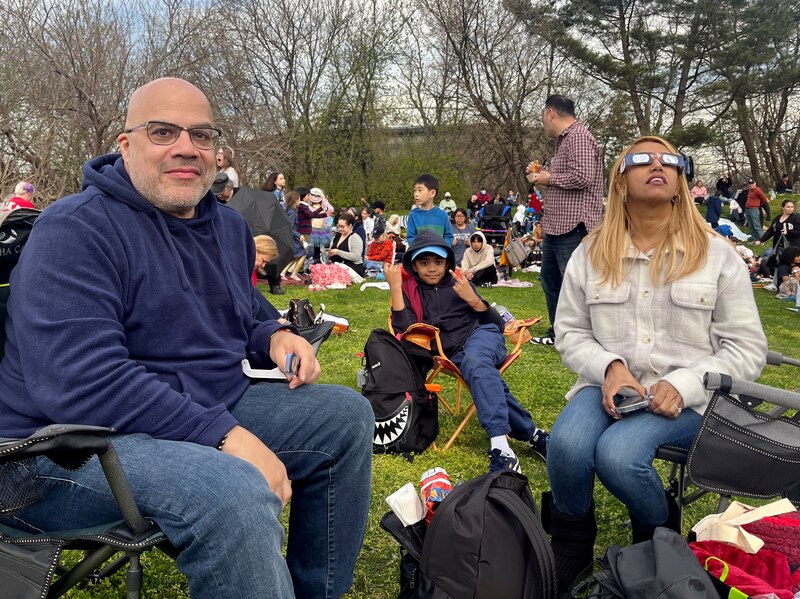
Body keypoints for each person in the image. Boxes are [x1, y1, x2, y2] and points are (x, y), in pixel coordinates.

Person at [0, 77, 373, 599]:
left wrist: (273, 336)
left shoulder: (227, 228)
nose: (185, 148)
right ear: (125, 145)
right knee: (232, 491)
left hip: (192, 411)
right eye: (162, 132)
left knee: (344, 417)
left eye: (200, 135)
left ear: (217, 151)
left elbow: (243, 314)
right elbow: (82, 382)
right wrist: (225, 437)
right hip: (58, 448)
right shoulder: (75, 230)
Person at [545, 135, 766, 595]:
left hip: (692, 400)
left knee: (620, 456)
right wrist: (608, 366)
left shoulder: (716, 254)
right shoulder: (591, 253)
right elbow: (570, 333)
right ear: (620, 181)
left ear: (681, 181)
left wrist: (685, 383)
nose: (657, 164)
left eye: (670, 160)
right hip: (609, 386)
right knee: (566, 443)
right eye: (640, 159)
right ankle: (572, 545)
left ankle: (656, 539)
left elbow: (746, 349)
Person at [385, 230, 549, 473]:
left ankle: (501, 448)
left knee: (475, 362)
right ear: (414, 265)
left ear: (447, 262)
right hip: (449, 351)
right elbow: (404, 329)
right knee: (482, 376)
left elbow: (496, 322)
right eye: (424, 262)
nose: (432, 268)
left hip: (482, 335)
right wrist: (395, 288)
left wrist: (473, 298)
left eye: (438, 262)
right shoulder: (411, 290)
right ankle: (534, 435)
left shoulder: (458, 282)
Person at [526, 94, 604, 345]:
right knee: (551, 281)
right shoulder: (564, 141)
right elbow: (568, 175)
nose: (543, 123)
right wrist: (541, 175)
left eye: (543, 117)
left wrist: (549, 178)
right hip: (557, 226)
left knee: (576, 287)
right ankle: (560, 334)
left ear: (551, 113)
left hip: (574, 226)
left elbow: (582, 176)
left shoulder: (579, 136)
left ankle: (582, 338)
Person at [406, 174, 453, 246]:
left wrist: (441, 247)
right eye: (415, 191)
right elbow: (410, 238)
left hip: (439, 254)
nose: (416, 194)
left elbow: (449, 237)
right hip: (420, 254)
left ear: (432, 193)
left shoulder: (442, 215)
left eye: (420, 190)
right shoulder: (413, 215)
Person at [328, 212, 366, 277]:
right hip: (336, 264)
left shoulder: (355, 238)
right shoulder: (336, 237)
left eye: (342, 227)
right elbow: (330, 250)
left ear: (350, 226)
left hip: (352, 267)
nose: (340, 229)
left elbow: (356, 257)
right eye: (339, 226)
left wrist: (338, 252)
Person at [281, 190, 307, 281]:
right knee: (302, 254)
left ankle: (284, 272)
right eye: (299, 199)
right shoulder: (292, 212)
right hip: (293, 238)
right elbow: (290, 228)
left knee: (296, 255)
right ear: (296, 200)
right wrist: (299, 235)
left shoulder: (289, 210)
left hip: (292, 237)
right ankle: (294, 274)